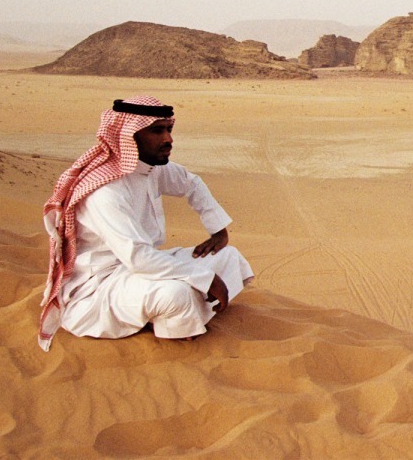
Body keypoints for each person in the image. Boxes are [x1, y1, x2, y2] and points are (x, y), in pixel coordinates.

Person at [37, 95, 253, 351]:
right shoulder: (105, 191)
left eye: (169, 129)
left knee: (228, 257)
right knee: (177, 294)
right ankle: (172, 328)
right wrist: (204, 278)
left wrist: (218, 230)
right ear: (130, 136)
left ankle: (171, 313)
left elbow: (191, 182)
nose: (168, 139)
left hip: (143, 270)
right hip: (102, 287)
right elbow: (138, 258)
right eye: (157, 131)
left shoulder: (148, 168)